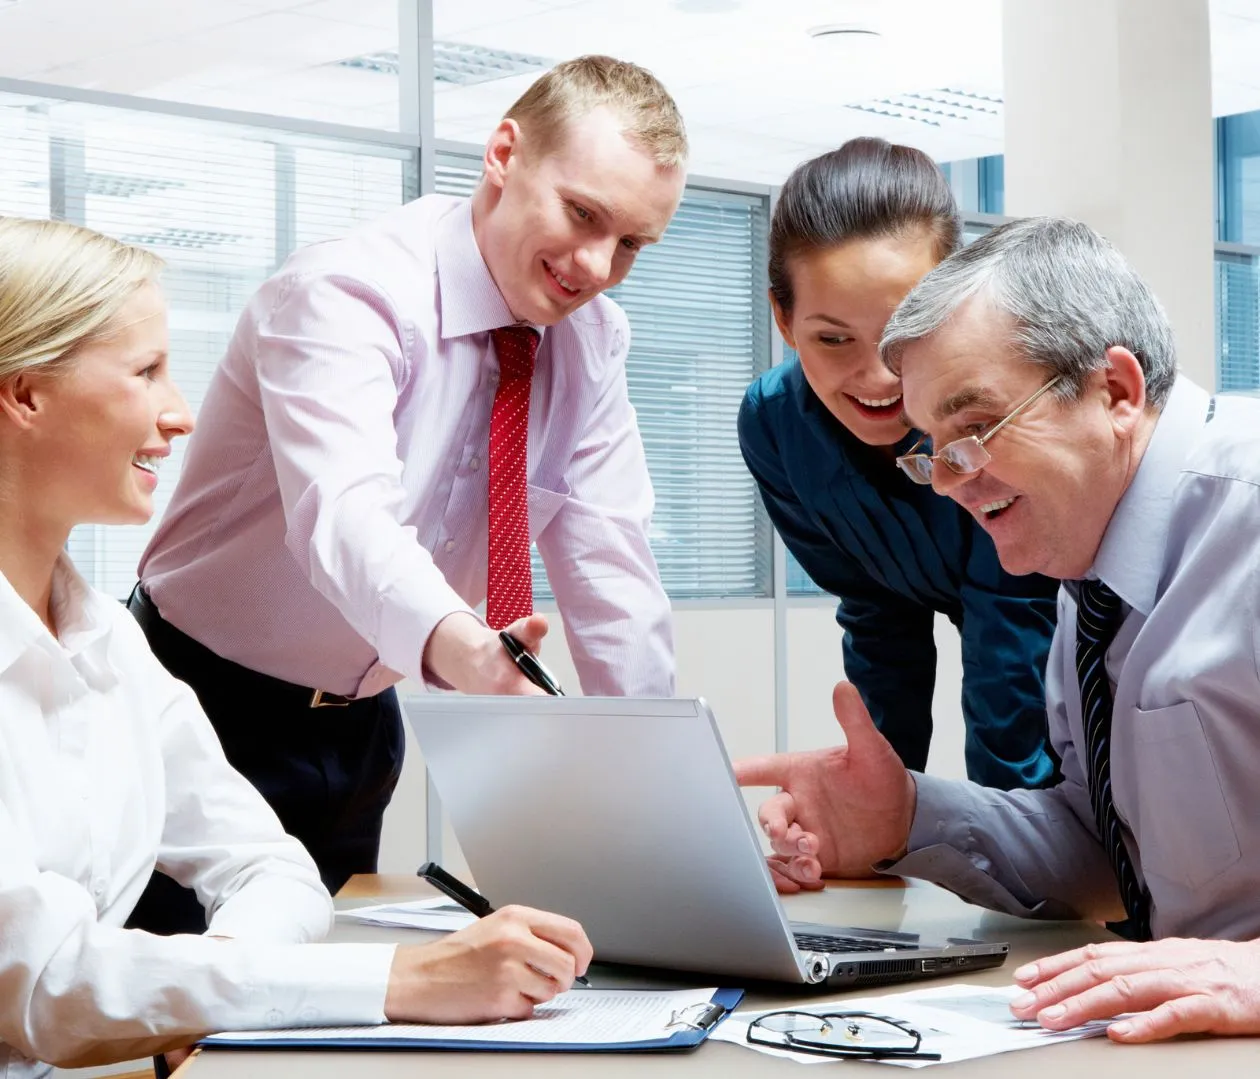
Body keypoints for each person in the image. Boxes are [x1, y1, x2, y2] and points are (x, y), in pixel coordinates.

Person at [0, 216, 592, 1079]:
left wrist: (216, 992)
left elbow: (269, 862)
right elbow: (49, 982)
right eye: (145, 372)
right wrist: (398, 976)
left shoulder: (106, 643)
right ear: (25, 394)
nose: (181, 413)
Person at [128, 55, 687, 929]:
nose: (596, 266)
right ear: (505, 154)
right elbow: (346, 517)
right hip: (198, 705)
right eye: (584, 215)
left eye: (632, 244)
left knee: (317, 1029)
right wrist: (471, 656)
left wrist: (664, 794)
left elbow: (612, 561)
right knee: (169, 1033)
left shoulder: (592, 341)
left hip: (360, 729)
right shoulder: (349, 290)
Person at [735, 216, 1260, 1044]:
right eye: (933, 450)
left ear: (1114, 390)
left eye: (973, 428)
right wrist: (906, 820)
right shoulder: (1086, 569)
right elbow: (1104, 852)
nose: (947, 483)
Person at [739, 138, 1059, 792]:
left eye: (904, 327)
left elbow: (1013, 623)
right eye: (832, 338)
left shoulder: (1003, 415)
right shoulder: (773, 426)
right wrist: (882, 814)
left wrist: (1005, 849)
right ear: (782, 316)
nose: (880, 376)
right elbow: (877, 614)